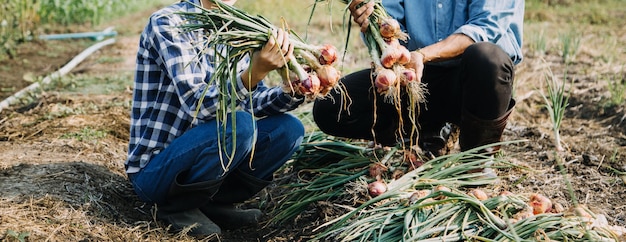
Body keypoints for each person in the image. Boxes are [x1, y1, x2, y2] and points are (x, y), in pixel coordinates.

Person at [125, 0, 306, 237]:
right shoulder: (169, 23)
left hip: (205, 150)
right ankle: (177, 207)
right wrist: (255, 71)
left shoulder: (238, 29)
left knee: (288, 130)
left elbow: (253, 99)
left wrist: (292, 90)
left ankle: (213, 204)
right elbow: (198, 104)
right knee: (240, 126)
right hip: (157, 170)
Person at [313, 0, 524, 158]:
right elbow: (391, 26)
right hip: (416, 79)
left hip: (472, 80)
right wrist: (373, 22)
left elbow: (484, 28)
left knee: (487, 58)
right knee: (331, 106)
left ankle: (478, 157)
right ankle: (425, 131)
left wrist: (423, 54)